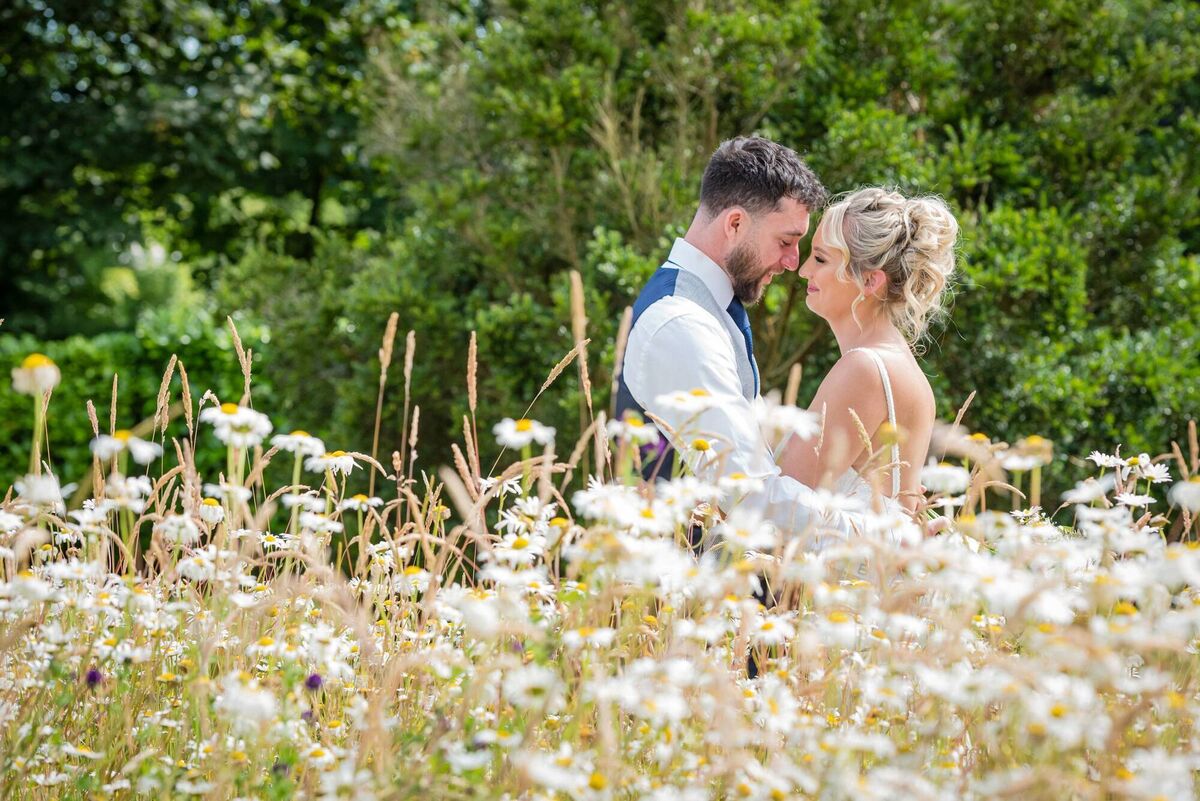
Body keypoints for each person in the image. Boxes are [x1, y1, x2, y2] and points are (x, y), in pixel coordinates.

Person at [613, 135, 838, 535]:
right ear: (735, 223)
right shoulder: (681, 324)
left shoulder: (708, 310)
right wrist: (875, 531)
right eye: (786, 241)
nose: (792, 263)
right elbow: (748, 493)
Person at [776, 187, 959, 513]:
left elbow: (783, 509)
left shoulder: (865, 369)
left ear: (871, 282)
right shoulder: (907, 372)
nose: (804, 270)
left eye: (820, 259)